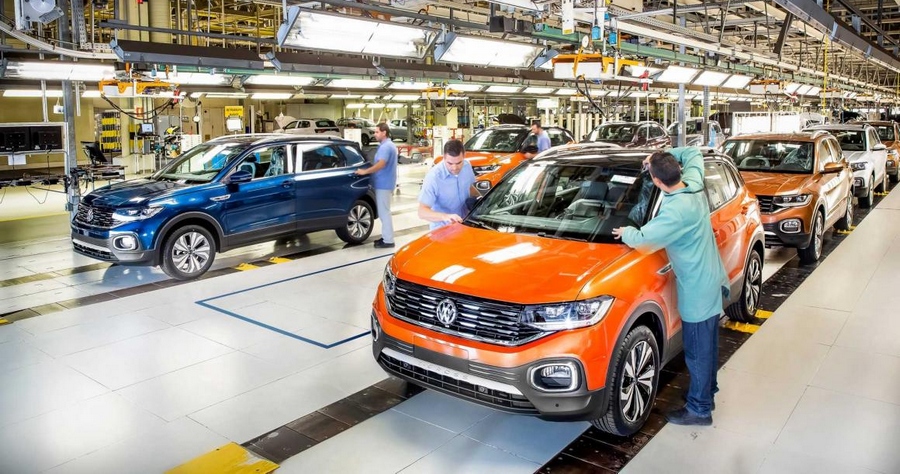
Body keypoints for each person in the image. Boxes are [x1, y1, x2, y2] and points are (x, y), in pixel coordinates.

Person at [611, 146, 728, 427]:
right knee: (707, 345)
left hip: (697, 289)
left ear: (656, 181)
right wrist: (657, 158)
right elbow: (693, 153)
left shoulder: (676, 211)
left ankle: (700, 410)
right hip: (712, 278)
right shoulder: (694, 182)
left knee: (697, 351)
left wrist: (624, 231)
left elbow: (642, 239)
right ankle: (707, 393)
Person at [354, 123, 397, 248]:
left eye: (377, 132)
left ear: (384, 132)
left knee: (384, 213)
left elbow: (381, 164)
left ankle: (388, 240)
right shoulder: (387, 145)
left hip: (384, 184)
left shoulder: (386, 147)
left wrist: (365, 172)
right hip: (385, 183)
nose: (375, 134)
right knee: (384, 212)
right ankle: (386, 237)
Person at [418, 139, 477, 229]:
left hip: (465, 225)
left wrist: (482, 201)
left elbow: (471, 188)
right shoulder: (433, 177)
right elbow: (422, 212)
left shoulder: (467, 166)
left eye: (459, 163)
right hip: (443, 229)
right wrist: (446, 217)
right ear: (444, 158)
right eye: (450, 163)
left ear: (464, 156)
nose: (454, 168)